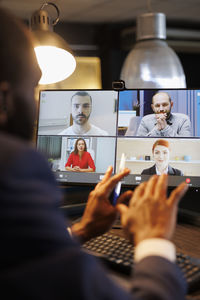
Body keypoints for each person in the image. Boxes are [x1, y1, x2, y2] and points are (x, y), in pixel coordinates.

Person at [0, 6, 189, 300]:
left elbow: (17, 254)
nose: (36, 105)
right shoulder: (11, 169)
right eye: (32, 89)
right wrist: (153, 241)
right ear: (4, 100)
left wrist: (82, 229)